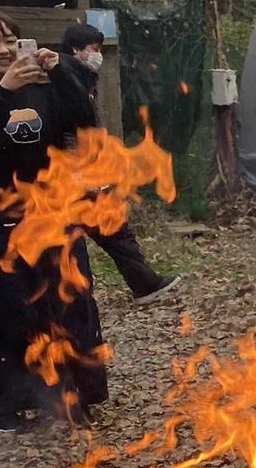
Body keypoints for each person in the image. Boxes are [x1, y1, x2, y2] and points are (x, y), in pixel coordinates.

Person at [0, 11, 108, 433]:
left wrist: (60, 73)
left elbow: (84, 121)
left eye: (10, 40)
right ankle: (6, 407)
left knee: (70, 308)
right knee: (7, 315)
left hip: (55, 212)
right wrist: (5, 89)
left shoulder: (44, 84)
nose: (4, 49)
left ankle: (71, 397)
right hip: (0, 222)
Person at [60, 23, 181, 306]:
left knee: (109, 229)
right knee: (106, 228)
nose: (98, 55)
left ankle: (143, 283)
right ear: (76, 49)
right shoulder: (66, 77)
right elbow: (72, 127)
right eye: (93, 49)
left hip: (83, 167)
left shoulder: (81, 77)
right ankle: (142, 284)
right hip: (75, 169)